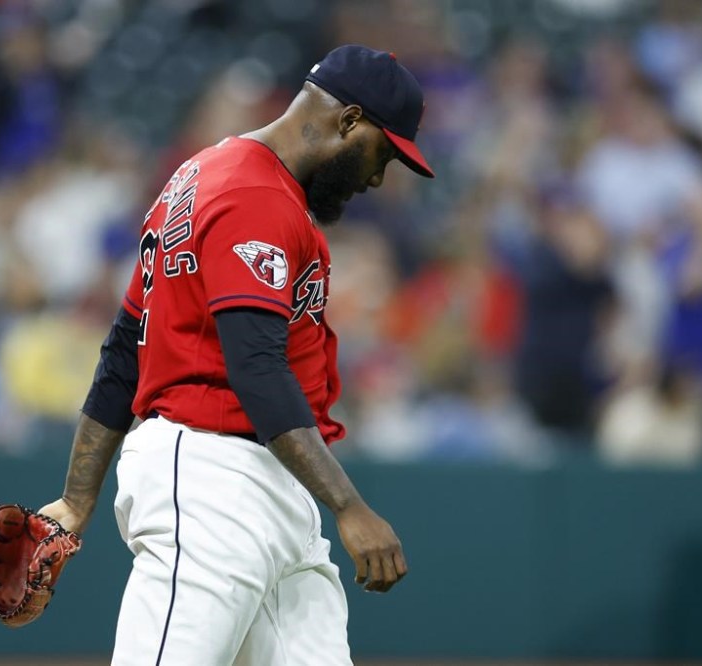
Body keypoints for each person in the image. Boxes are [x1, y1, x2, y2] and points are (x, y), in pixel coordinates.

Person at [37, 44, 434, 665]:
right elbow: (254, 367)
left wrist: (77, 498)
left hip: (270, 486)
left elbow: (126, 345)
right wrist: (350, 507)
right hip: (212, 481)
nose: (378, 177)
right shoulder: (255, 195)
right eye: (382, 153)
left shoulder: (206, 173)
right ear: (350, 120)